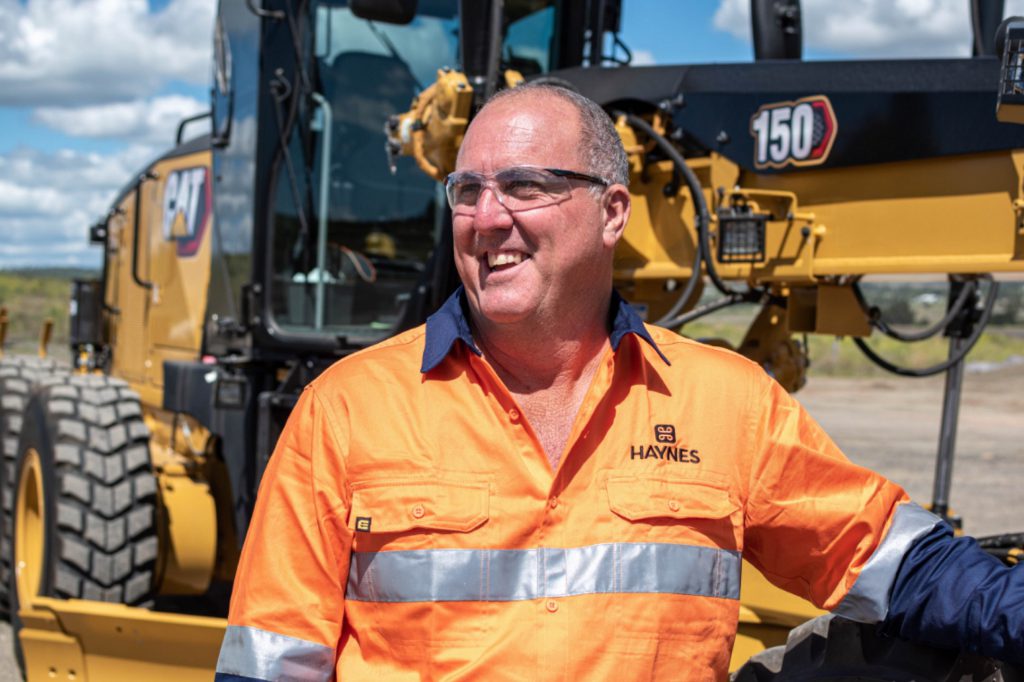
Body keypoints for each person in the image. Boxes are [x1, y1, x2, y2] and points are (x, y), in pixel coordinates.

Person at [214, 84, 1023, 681]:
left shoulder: (724, 403)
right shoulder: (347, 409)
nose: (486, 217)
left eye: (526, 185)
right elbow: (270, 661)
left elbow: (888, 558)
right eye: (467, 191)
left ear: (611, 213)